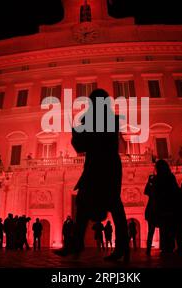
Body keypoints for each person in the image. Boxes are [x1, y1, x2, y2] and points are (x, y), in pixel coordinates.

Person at [54, 89, 129, 262]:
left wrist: (77, 134)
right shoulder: (112, 119)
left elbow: (83, 145)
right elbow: (85, 145)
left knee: (96, 202)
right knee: (106, 204)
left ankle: (80, 243)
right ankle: (121, 246)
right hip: (107, 164)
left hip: (100, 165)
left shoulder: (93, 120)